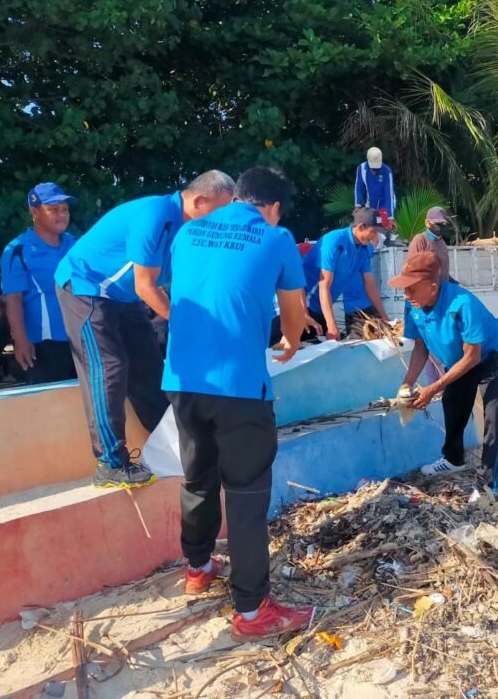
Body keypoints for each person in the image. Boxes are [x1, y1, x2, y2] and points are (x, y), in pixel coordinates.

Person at [162, 165, 314, 642]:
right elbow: (293, 310)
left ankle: (198, 567)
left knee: (198, 477)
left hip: (182, 382)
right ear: (272, 207)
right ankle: (251, 611)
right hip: (240, 389)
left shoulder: (187, 233)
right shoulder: (277, 238)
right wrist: (290, 343)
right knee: (247, 498)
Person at [55, 171, 234, 488]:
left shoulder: (188, 230)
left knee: (150, 366)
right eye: (221, 210)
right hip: (84, 286)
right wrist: (184, 327)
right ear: (199, 200)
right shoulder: (155, 215)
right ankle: (109, 463)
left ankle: (176, 447)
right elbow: (145, 286)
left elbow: (185, 286)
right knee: (109, 367)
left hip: (121, 296)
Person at [392, 252, 498, 493]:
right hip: (458, 360)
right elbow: (421, 347)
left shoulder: (463, 304)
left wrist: (433, 388)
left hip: (488, 357)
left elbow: (473, 357)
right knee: (453, 406)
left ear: (433, 288)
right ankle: (453, 459)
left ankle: (490, 483)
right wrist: (407, 383)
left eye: (411, 289)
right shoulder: (413, 305)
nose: (406, 294)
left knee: (492, 417)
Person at [0, 183, 79, 385]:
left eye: (65, 209)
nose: (62, 215)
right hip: (45, 344)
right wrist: (20, 340)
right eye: (53, 209)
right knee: (51, 408)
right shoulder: (17, 249)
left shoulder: (76, 244)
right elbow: (14, 298)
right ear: (34, 212)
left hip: (83, 339)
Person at [301, 208, 389, 340]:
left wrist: (384, 317)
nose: (374, 236)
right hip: (303, 307)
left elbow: (370, 285)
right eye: (373, 231)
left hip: (322, 310)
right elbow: (324, 285)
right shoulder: (334, 242)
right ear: (360, 227)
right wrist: (331, 324)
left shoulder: (364, 249)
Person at [407, 206, 455, 282]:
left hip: (442, 290)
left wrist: (455, 285)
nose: (441, 226)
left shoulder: (442, 243)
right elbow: (413, 270)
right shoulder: (420, 240)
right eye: (437, 223)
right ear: (427, 223)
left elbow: (443, 272)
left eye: (443, 223)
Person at [354, 146, 395, 230]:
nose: (374, 171)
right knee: (368, 227)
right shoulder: (361, 168)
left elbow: (389, 195)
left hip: (385, 205)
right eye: (372, 168)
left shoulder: (387, 171)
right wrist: (357, 205)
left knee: (384, 227)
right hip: (370, 204)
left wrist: (390, 216)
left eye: (376, 169)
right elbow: (359, 188)